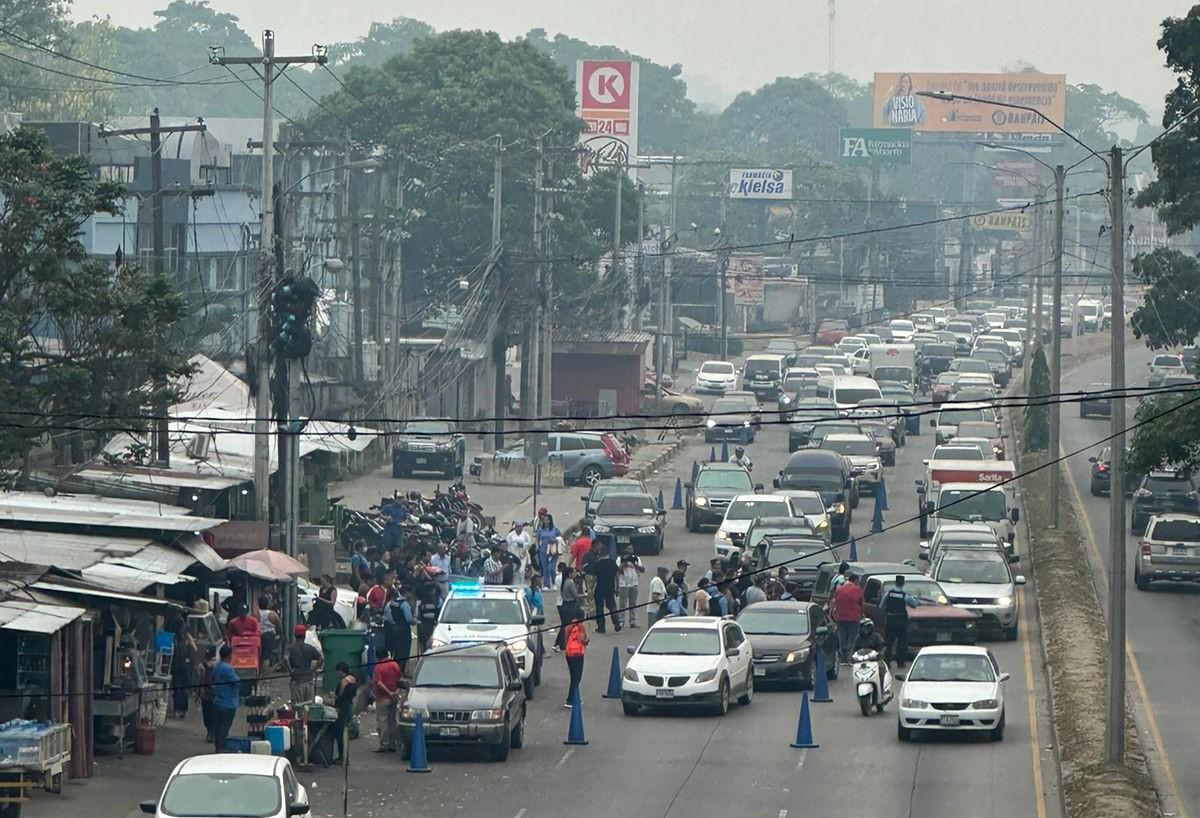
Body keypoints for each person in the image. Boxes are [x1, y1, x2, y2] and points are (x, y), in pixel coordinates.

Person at [880, 575, 920, 666]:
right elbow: (914, 605)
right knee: (902, 642)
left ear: (895, 583)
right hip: (901, 622)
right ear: (903, 583)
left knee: (889, 642)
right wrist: (917, 598)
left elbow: (881, 606)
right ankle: (900, 662)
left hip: (890, 621)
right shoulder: (905, 596)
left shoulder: (888, 594)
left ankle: (887, 661)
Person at [371, 648, 405, 752]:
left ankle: (384, 745)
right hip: (394, 697)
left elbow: (379, 683)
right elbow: (400, 680)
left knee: (383, 722)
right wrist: (395, 692)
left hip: (382, 698)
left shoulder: (378, 667)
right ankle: (393, 744)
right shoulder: (394, 665)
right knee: (392, 721)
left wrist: (388, 692)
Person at [210, 644, 240, 753]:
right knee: (225, 726)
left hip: (218, 700)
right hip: (228, 702)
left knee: (218, 725)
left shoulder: (216, 667)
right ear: (228, 656)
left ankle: (218, 746)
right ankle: (222, 746)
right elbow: (236, 682)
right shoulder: (228, 668)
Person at [586, 542, 621, 633]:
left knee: (599, 608)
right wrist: (617, 588)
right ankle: (616, 622)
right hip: (610, 588)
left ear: (600, 554)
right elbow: (617, 576)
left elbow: (594, 578)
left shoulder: (598, 564)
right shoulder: (612, 563)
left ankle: (601, 627)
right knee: (612, 606)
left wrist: (591, 589)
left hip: (600, 588)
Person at [831, 573, 865, 663]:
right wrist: (862, 614)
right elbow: (861, 603)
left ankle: (843, 656)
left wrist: (832, 613)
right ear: (855, 581)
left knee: (842, 636)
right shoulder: (857, 590)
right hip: (853, 617)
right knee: (852, 637)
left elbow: (834, 601)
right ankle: (848, 656)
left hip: (840, 617)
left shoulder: (840, 589)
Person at [285, 624, 323, 704]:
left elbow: (285, 658)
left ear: (295, 635)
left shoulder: (291, 648)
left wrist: (290, 670)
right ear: (305, 635)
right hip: (308, 680)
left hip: (297, 681)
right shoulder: (310, 648)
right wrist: (313, 670)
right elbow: (321, 658)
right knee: (308, 707)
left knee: (297, 707)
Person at [331, 662, 358, 764]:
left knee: (339, 732)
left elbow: (340, 698)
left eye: (338, 672)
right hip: (349, 708)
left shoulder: (344, 682)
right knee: (342, 732)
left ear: (342, 672)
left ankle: (342, 757)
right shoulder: (353, 680)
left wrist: (333, 697)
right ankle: (343, 756)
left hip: (344, 709)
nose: (337, 674)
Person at [169, 616, 196, 718]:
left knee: (177, 688)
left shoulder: (173, 637)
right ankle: (184, 710)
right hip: (185, 666)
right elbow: (195, 649)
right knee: (184, 689)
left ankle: (177, 710)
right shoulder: (187, 636)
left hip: (176, 665)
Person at [384, 587, 415, 670]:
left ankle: (394, 670)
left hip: (393, 629)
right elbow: (409, 619)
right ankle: (401, 670)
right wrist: (414, 621)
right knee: (404, 651)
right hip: (404, 630)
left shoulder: (390, 603)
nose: (411, 595)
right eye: (410, 593)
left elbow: (387, 617)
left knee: (395, 651)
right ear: (406, 592)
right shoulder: (405, 604)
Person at [563, 611, 589, 707]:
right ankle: (571, 699)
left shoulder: (568, 626)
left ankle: (573, 697)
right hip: (578, 654)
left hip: (569, 654)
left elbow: (565, 640)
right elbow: (582, 640)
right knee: (577, 677)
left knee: (573, 676)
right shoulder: (581, 626)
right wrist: (587, 641)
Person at [554, 566, 580, 652]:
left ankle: (561, 643)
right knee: (566, 625)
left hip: (564, 604)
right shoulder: (570, 582)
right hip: (570, 605)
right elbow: (575, 595)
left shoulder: (564, 581)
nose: (575, 574)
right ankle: (560, 643)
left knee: (564, 624)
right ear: (570, 573)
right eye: (573, 572)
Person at [617, 547, 643, 629]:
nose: (630, 550)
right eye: (628, 549)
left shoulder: (636, 558)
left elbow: (642, 569)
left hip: (634, 584)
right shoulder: (620, 559)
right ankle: (621, 621)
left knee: (633, 604)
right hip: (623, 584)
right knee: (622, 604)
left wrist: (634, 563)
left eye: (631, 549)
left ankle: (632, 621)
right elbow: (618, 570)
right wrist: (625, 562)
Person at [535, 509, 562, 591]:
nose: (545, 521)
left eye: (547, 520)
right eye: (544, 520)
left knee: (551, 568)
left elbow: (560, 538)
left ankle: (554, 583)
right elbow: (537, 539)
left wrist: (554, 540)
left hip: (553, 551)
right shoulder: (540, 530)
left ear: (550, 520)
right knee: (545, 568)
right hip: (543, 550)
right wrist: (537, 546)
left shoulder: (555, 529)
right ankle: (547, 584)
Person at [256, 594, 281, 674]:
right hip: (269, 636)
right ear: (267, 604)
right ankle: (266, 675)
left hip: (258, 636)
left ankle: (259, 673)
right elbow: (279, 626)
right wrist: (280, 635)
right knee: (266, 656)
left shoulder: (256, 614)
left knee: (259, 655)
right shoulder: (272, 614)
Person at [198, 645, 218, 743]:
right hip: (215, 694)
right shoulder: (218, 665)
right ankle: (212, 733)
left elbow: (200, 679)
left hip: (204, 694)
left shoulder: (201, 665)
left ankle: (209, 733)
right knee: (214, 714)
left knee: (206, 715)